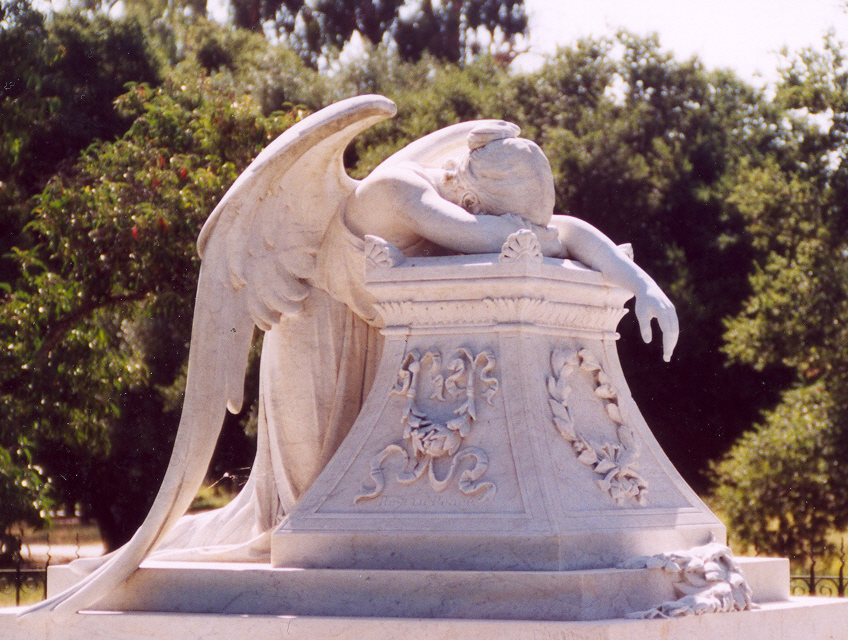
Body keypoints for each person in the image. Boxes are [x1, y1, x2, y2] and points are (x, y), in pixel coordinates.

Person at [26, 97, 677, 614]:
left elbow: (551, 232)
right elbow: (497, 237)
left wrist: (641, 285)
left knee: (325, 517)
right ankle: (138, 556)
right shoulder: (402, 191)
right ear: (472, 194)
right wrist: (563, 246)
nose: (514, 228)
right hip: (313, 330)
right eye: (502, 215)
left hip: (379, 332)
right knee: (296, 515)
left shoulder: (466, 196)